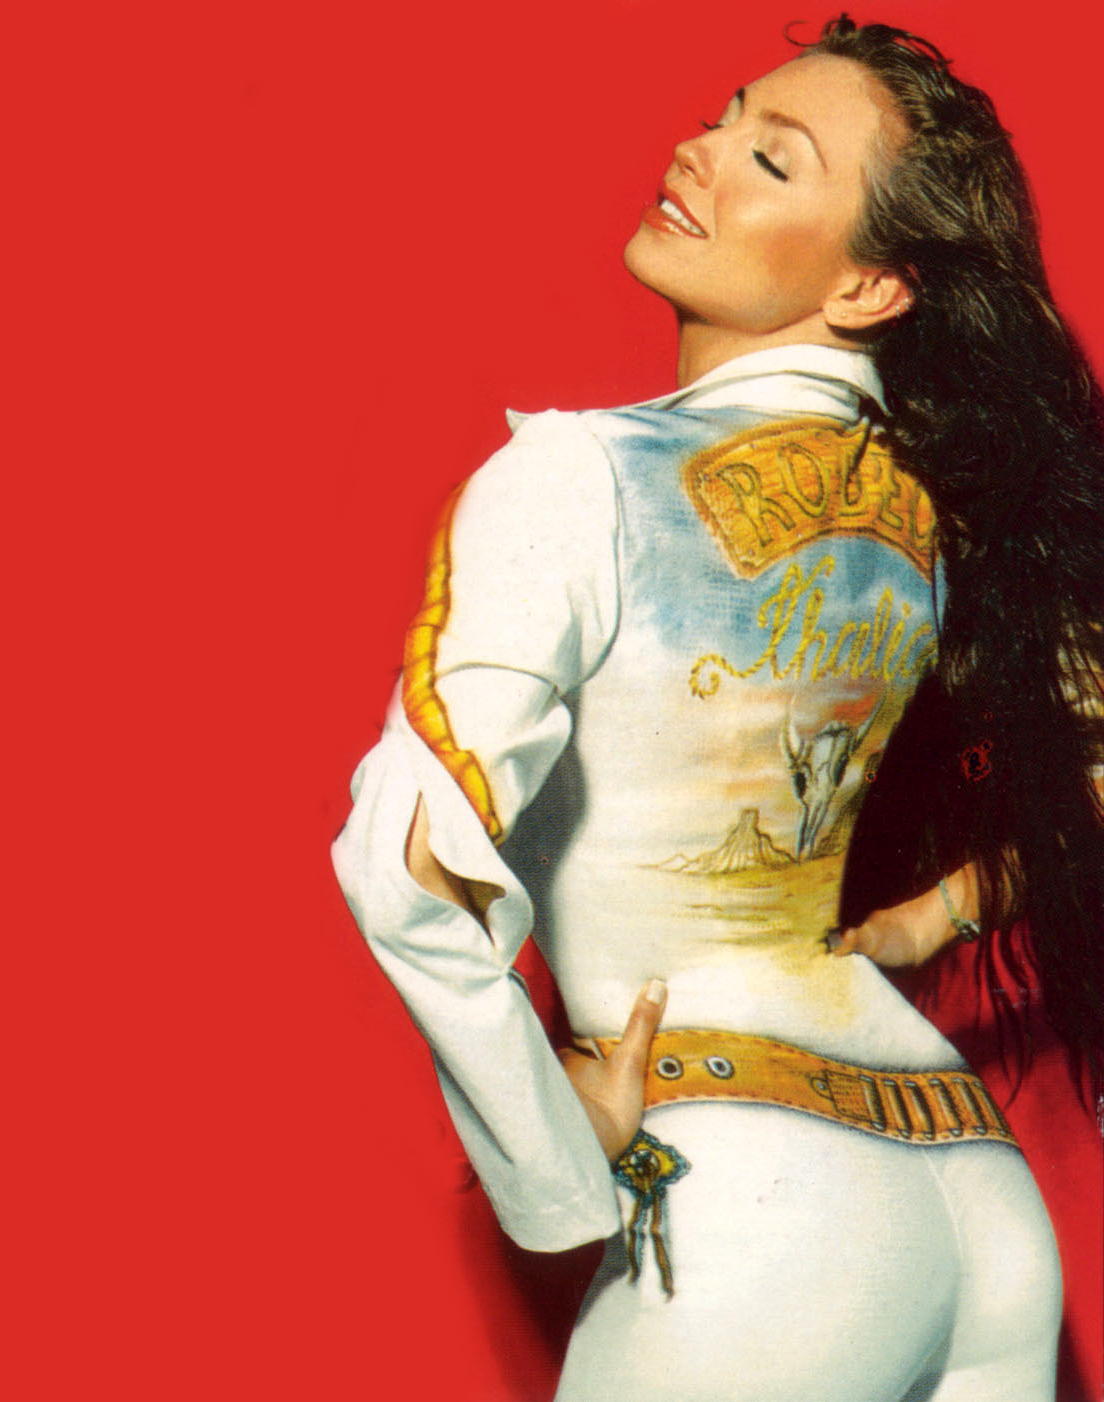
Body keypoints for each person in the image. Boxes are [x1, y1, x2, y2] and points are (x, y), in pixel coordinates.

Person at [333, 16, 1102, 1401]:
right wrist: (935, 917)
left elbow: (407, 866)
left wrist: (555, 1162)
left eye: (773, 158)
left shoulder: (576, 477)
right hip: (975, 1196)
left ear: (871, 284)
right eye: (726, 116)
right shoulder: (936, 525)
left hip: (755, 1201)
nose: (701, 151)